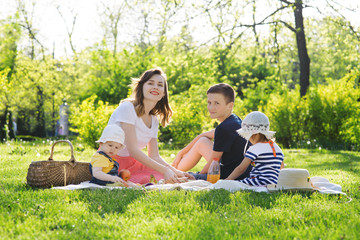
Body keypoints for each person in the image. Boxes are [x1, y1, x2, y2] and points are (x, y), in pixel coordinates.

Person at [108, 67, 194, 184]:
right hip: (111, 163)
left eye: (160, 85)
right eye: (150, 83)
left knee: (173, 178)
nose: (155, 87)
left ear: (163, 93)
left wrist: (176, 171)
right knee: (159, 178)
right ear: (141, 87)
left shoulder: (153, 120)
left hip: (134, 163)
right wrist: (165, 171)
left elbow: (154, 156)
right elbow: (133, 150)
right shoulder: (127, 108)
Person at [172, 83, 252, 180]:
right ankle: (173, 170)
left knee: (187, 177)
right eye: (209, 103)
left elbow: (214, 163)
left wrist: (198, 177)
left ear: (230, 106)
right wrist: (181, 152)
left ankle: (173, 172)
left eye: (216, 103)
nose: (211, 107)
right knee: (202, 141)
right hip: (240, 171)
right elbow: (203, 135)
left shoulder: (224, 128)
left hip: (227, 175)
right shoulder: (234, 120)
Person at [225, 111, 285, 186]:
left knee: (236, 184)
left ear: (255, 134)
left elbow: (241, 169)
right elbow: (282, 168)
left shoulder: (255, 149)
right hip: (274, 183)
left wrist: (227, 180)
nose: (248, 139)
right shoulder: (277, 148)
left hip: (258, 182)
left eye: (248, 136)